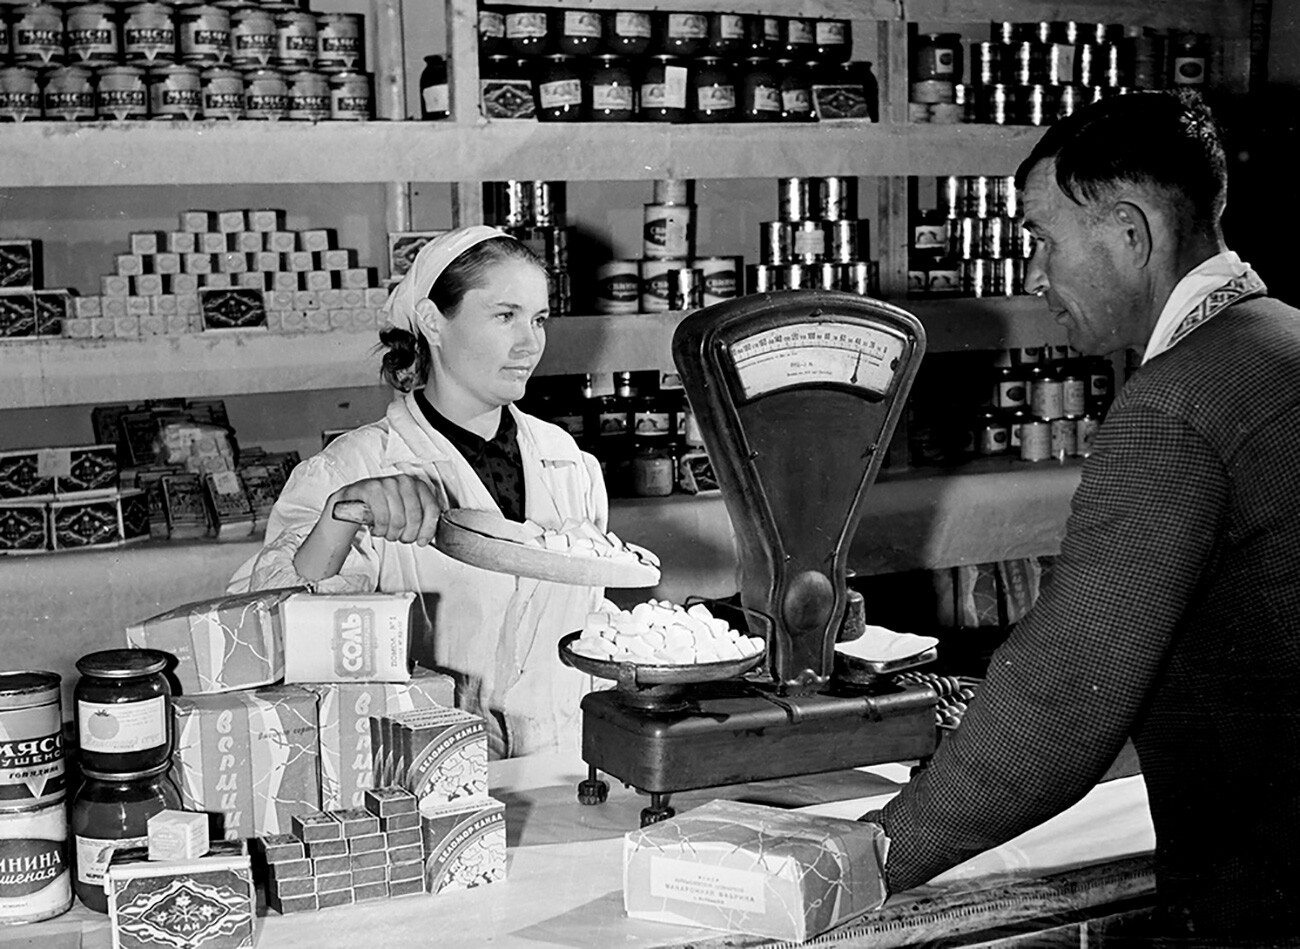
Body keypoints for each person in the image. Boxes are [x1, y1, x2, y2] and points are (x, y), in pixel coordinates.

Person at [866, 91, 1300, 945]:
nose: (1033, 273)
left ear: (1130, 235)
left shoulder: (1173, 407)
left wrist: (872, 849)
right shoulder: (1284, 340)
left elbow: (1067, 696)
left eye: (1042, 237)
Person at [229, 226, 607, 759]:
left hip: (566, 770)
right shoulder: (351, 468)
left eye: (538, 319)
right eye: (505, 316)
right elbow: (269, 632)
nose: (530, 343)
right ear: (432, 321)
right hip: (427, 780)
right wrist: (341, 517)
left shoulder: (570, 463)